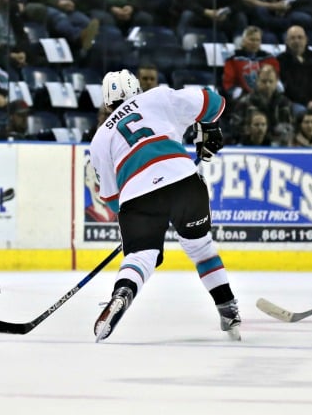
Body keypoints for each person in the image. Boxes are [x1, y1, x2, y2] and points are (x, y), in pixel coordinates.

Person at [90, 69, 241, 341]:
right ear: (136, 89)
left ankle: (122, 292)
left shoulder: (100, 138)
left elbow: (112, 198)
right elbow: (214, 102)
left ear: (106, 101)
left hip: (137, 195)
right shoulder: (157, 97)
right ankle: (228, 307)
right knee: (200, 247)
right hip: (183, 180)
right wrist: (209, 127)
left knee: (140, 256)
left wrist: (135, 229)